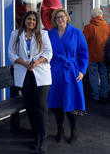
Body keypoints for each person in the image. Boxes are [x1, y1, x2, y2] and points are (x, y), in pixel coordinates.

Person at [8, 10, 53, 153]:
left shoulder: (43, 34)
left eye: (34, 20)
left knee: (41, 106)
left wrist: (37, 62)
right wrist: (23, 63)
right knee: (30, 106)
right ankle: (36, 135)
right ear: (24, 20)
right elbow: (11, 53)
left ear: (36, 22)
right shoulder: (15, 34)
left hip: (41, 75)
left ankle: (43, 138)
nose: (31, 22)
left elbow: (49, 52)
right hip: (24, 73)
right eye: (29, 19)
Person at [48, 8, 89, 145]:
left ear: (67, 17)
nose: (60, 19)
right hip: (54, 71)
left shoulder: (76, 32)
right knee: (56, 104)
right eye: (57, 17)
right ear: (54, 20)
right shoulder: (50, 34)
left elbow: (83, 53)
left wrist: (82, 71)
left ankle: (74, 129)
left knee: (71, 103)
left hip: (71, 71)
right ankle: (60, 129)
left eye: (62, 16)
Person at [83, 8, 110, 103]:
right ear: (101, 16)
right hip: (104, 56)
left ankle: (95, 95)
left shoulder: (88, 27)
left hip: (92, 56)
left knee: (93, 76)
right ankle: (104, 94)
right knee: (104, 75)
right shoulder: (108, 27)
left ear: (92, 16)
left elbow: (83, 43)